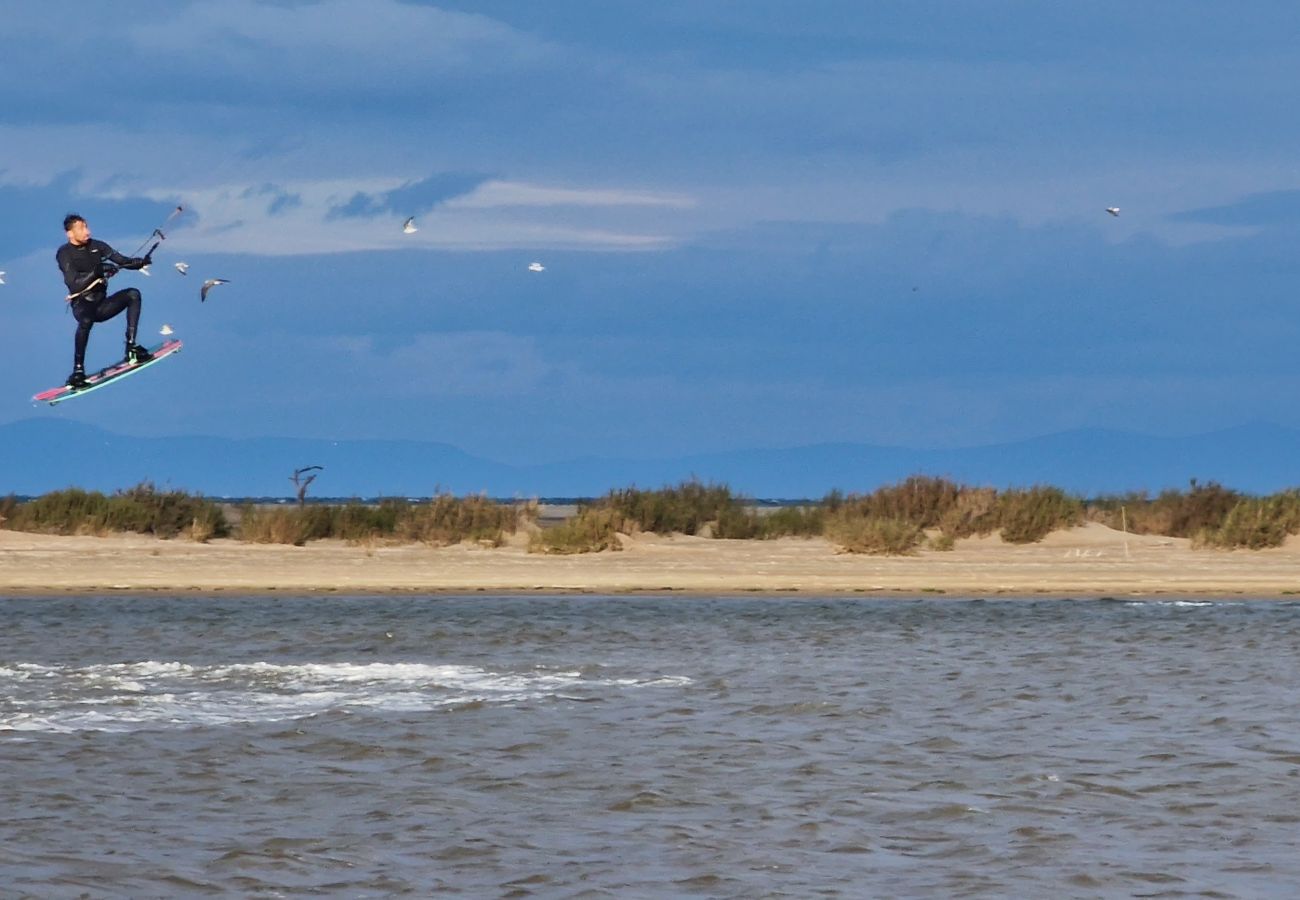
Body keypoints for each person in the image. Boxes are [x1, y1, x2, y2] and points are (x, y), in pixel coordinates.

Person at [56, 213, 154, 388]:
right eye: (81, 228)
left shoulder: (97, 246)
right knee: (86, 321)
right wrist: (98, 270)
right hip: (83, 306)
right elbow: (73, 284)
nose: (87, 231)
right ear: (70, 233)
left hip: (101, 306)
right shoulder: (64, 254)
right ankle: (78, 371)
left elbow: (123, 261)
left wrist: (139, 263)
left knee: (133, 294)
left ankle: (131, 348)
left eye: (86, 226)